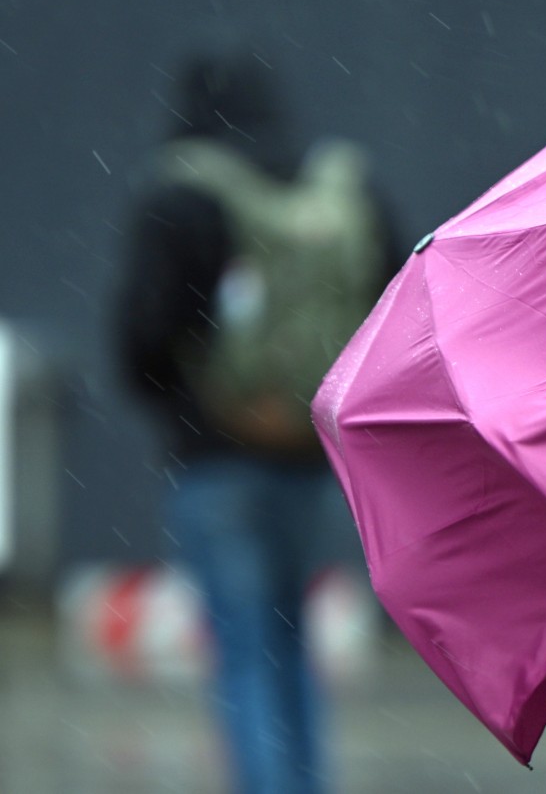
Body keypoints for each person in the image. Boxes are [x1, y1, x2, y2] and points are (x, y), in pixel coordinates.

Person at [115, 50, 401, 794]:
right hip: (313, 462)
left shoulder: (183, 194)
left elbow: (141, 340)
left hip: (217, 467)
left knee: (243, 650)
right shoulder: (338, 187)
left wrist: (200, 413)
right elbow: (398, 307)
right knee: (291, 643)